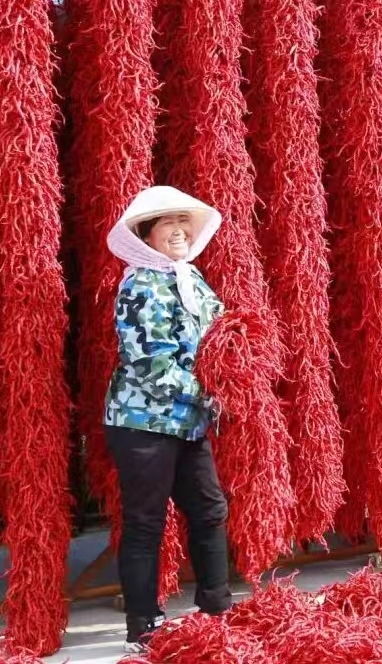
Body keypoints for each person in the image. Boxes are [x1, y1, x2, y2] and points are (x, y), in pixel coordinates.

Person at [104, 186, 232, 653]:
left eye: (183, 221)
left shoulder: (190, 277)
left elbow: (219, 332)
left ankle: (217, 609)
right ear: (146, 235)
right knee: (146, 522)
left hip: (187, 421)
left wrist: (240, 368)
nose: (178, 231)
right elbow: (150, 364)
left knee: (208, 508)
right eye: (166, 224)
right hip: (143, 423)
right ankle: (143, 627)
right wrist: (210, 393)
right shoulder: (141, 284)